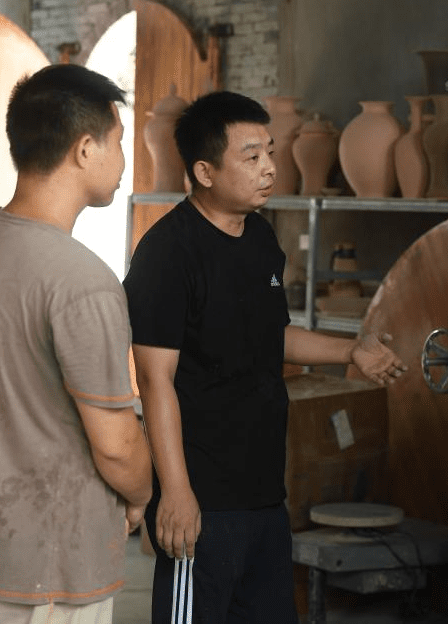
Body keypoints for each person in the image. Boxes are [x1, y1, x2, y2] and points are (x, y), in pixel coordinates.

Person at [123, 90, 407, 623]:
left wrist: (351, 350)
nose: (270, 169)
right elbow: (154, 381)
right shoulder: (167, 254)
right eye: (251, 157)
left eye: (270, 152)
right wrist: (177, 493)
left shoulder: (258, 238)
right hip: (203, 500)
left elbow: (271, 336)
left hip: (264, 497)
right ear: (205, 172)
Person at [0, 64, 153, 623]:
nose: (124, 161)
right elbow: (118, 445)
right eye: (118, 143)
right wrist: (144, 494)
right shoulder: (82, 281)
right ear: (83, 149)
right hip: (53, 559)